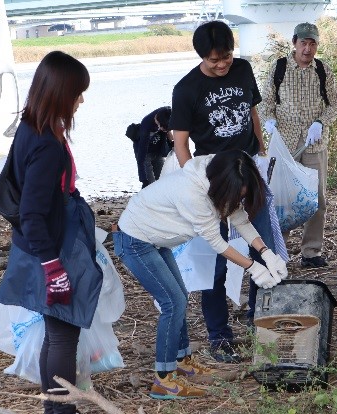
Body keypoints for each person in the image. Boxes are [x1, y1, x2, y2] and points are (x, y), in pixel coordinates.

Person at [112, 150, 287, 399]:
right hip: (136, 239)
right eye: (239, 194)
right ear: (225, 187)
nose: (240, 198)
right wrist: (254, 267)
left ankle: (182, 362)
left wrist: (267, 253)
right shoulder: (193, 193)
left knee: (179, 296)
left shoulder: (223, 172)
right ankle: (163, 379)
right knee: (173, 302)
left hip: (156, 239)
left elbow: (240, 219)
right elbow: (217, 242)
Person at [170, 20, 284, 362]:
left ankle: (258, 321)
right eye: (215, 60)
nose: (223, 65)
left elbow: (252, 112)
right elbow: (180, 144)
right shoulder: (186, 89)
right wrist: (197, 183)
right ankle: (220, 335)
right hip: (214, 179)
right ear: (201, 56)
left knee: (263, 247)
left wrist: (262, 151)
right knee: (216, 261)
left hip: (248, 171)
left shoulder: (244, 70)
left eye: (227, 57)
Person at [0, 51, 101, 414]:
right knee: (63, 338)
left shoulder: (31, 126)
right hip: (49, 250)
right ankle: (61, 410)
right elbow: (31, 213)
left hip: (42, 247)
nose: (81, 100)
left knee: (56, 336)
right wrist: (53, 268)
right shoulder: (46, 145)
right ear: (59, 92)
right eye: (77, 92)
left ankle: (53, 410)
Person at [260, 22, 337, 268]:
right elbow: (265, 102)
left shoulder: (323, 70)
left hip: (314, 144)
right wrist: (269, 122)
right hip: (283, 145)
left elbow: (335, 104)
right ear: (294, 43)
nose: (308, 49)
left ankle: (311, 252)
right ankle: (278, 251)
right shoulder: (280, 67)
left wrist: (320, 121)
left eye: (312, 43)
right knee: (281, 198)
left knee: (316, 198)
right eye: (303, 43)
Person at [134, 106, 173, 188]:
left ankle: (161, 199)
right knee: (149, 183)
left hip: (157, 151)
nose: (161, 129)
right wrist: (143, 179)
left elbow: (171, 134)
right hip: (144, 153)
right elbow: (141, 156)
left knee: (162, 179)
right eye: (162, 128)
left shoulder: (167, 113)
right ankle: (144, 198)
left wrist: (173, 143)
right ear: (157, 121)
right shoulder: (146, 125)